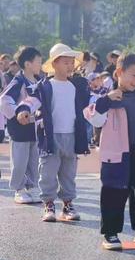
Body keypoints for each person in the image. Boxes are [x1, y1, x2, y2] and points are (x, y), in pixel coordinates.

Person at [84, 52, 135, 249]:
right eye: (133, 75)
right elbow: (92, 117)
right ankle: (110, 233)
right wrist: (106, 100)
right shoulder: (108, 96)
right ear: (119, 72)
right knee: (114, 192)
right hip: (118, 154)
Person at [16, 43, 90, 222]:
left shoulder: (77, 86)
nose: (70, 66)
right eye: (65, 62)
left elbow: (90, 102)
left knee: (68, 172)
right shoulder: (45, 86)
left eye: (72, 62)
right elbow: (31, 100)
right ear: (54, 64)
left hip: (72, 135)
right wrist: (24, 110)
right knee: (48, 171)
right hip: (50, 136)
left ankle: (68, 205)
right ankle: (48, 204)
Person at [0, 46, 43, 204]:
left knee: (33, 160)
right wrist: (16, 114)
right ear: (27, 64)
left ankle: (31, 187)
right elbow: (4, 100)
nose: (41, 65)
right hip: (19, 130)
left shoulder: (39, 81)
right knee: (19, 161)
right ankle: (19, 189)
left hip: (34, 129)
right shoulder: (19, 80)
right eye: (38, 62)